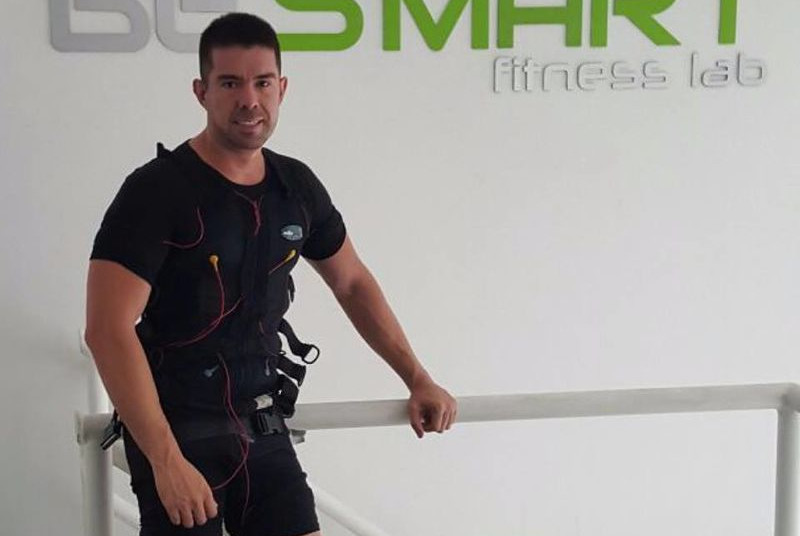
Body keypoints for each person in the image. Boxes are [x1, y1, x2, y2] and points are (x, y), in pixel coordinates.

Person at [84, 12, 457, 536]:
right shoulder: (156, 191)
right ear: (201, 91)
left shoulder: (295, 186)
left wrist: (416, 377)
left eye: (262, 83)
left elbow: (351, 282)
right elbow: (107, 329)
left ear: (281, 88)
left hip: (262, 427)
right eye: (230, 83)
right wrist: (165, 461)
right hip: (177, 432)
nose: (249, 100)